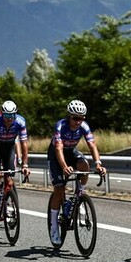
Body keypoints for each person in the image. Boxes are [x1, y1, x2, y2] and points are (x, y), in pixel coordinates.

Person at [47, 100, 107, 245]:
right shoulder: (60, 126)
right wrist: (64, 166)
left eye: (81, 118)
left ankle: (79, 194)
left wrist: (98, 164)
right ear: (69, 116)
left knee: (84, 164)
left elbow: (92, 145)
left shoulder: (84, 126)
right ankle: (54, 226)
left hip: (71, 152)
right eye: (75, 118)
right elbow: (58, 148)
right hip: (57, 155)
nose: (78, 122)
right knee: (59, 189)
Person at [0, 101, 30, 223]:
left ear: (15, 114)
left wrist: (25, 164)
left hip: (9, 148)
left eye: (12, 116)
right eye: (6, 116)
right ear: (2, 115)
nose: (9, 119)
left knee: (9, 179)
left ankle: (7, 204)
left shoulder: (20, 122)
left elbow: (24, 143)